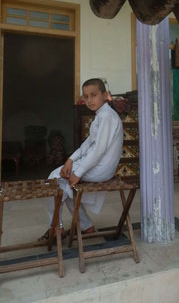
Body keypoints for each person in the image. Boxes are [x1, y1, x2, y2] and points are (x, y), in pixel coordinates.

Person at [40, 78, 123, 239]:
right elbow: (87, 144)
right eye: (86, 96)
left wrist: (79, 172)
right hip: (98, 167)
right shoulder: (101, 115)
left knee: (52, 181)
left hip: (101, 168)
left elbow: (98, 151)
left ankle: (56, 228)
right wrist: (70, 160)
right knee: (66, 186)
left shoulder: (106, 116)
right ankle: (86, 226)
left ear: (105, 95)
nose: (89, 100)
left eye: (94, 95)